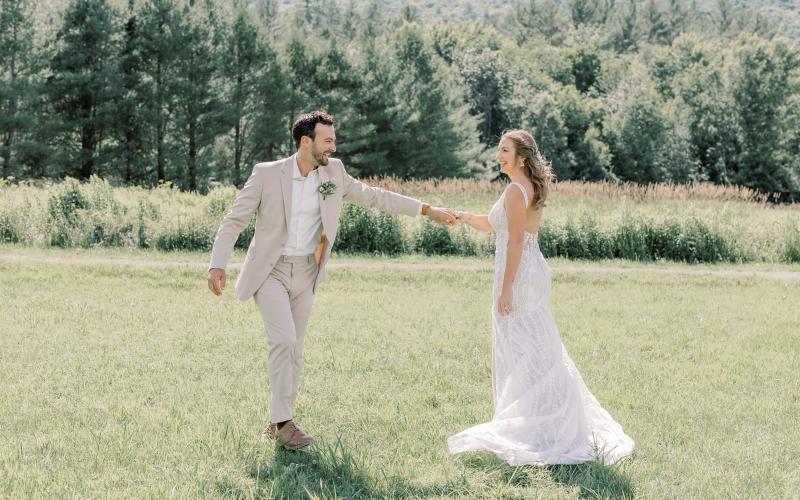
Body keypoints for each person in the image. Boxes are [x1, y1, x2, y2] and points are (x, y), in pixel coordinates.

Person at [207, 111, 457, 450]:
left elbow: (376, 195)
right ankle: (284, 424)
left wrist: (426, 210)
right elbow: (234, 220)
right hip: (270, 271)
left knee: (294, 350)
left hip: (308, 272)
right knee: (282, 341)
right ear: (306, 141)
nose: (334, 146)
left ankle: (278, 419)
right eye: (328, 140)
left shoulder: (333, 172)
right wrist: (217, 264)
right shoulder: (267, 174)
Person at [448, 130, 634, 465]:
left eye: (504, 150)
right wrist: (462, 216)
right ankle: (540, 417)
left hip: (519, 274)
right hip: (528, 270)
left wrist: (506, 289)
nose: (498, 155)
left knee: (523, 348)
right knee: (535, 348)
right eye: (499, 150)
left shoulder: (515, 191)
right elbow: (494, 226)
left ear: (521, 156)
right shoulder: (523, 188)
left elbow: (516, 241)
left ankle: (539, 424)